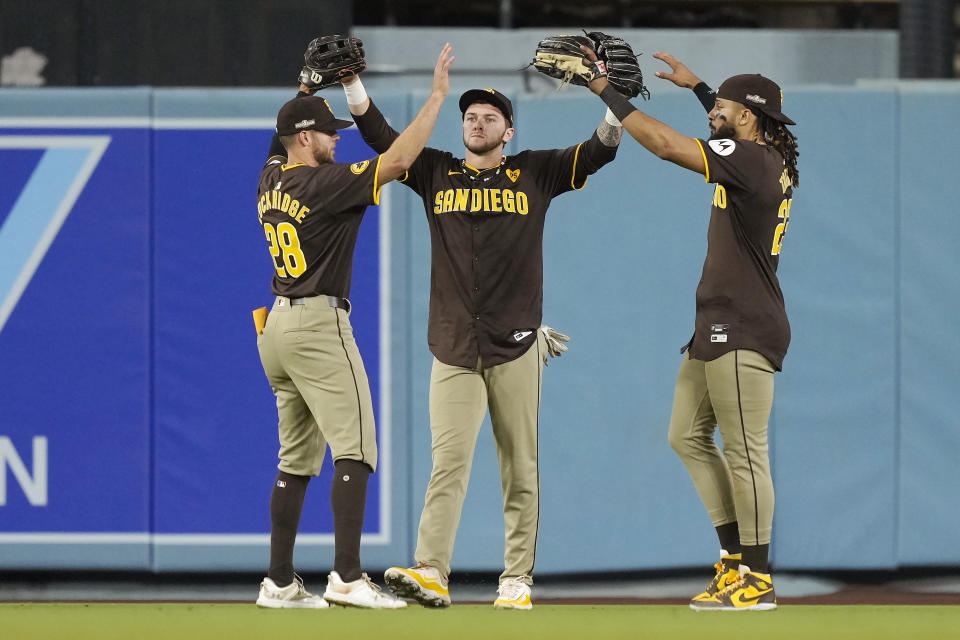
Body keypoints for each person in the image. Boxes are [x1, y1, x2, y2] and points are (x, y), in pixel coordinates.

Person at [336, 68, 623, 610]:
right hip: (454, 345)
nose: (477, 122)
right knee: (449, 462)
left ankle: (516, 579)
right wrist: (353, 85)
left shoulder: (535, 171)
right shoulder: (435, 171)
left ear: (508, 131)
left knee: (519, 466)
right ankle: (431, 570)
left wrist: (613, 99)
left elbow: (600, 150)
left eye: (490, 116)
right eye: (470, 115)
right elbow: (380, 138)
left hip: (516, 342)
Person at [582, 47, 798, 611]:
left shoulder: (750, 161)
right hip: (717, 323)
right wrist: (702, 87)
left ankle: (757, 576)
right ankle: (734, 561)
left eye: (721, 109)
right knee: (686, 434)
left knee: (746, 451)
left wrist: (604, 90)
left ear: (746, 117)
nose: (712, 115)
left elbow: (663, 144)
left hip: (745, 324)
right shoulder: (760, 153)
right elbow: (728, 126)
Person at [253, 43, 455, 610]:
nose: (336, 138)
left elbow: (276, 142)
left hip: (277, 332)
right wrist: (437, 96)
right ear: (305, 139)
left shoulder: (272, 180)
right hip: (318, 324)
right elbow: (398, 162)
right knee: (357, 449)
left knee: (294, 461)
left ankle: (279, 581)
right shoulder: (323, 184)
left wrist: (304, 91)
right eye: (327, 132)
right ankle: (345, 576)